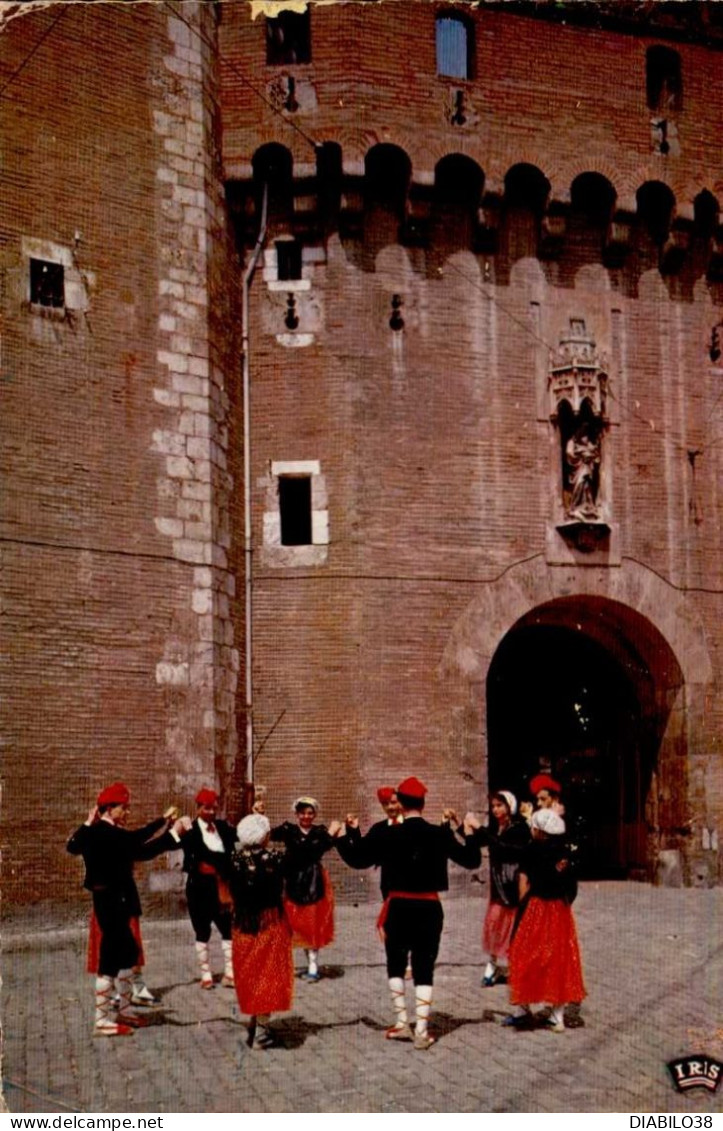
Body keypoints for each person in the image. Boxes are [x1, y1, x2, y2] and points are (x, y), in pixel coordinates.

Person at [331, 775, 481, 1050]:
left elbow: (358, 859)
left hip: (397, 907)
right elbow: (472, 860)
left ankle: (402, 1023)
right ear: (423, 803)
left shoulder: (384, 832)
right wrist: (467, 830)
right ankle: (422, 1030)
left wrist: (342, 837)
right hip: (429, 907)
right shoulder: (439, 833)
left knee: (395, 964)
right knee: (424, 966)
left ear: (400, 802)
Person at [67, 782, 189, 1037]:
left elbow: (75, 845)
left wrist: (161, 822)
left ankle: (123, 1009)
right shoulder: (110, 835)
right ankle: (101, 1020)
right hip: (112, 902)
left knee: (128, 954)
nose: (127, 812)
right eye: (124, 808)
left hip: (111, 901)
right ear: (110, 809)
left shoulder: (95, 832)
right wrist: (173, 833)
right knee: (110, 960)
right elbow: (142, 849)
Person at [504, 807, 585, 1033]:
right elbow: (572, 886)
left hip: (537, 908)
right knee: (559, 959)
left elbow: (515, 862)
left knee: (524, 953)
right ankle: (557, 1016)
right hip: (560, 911)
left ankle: (522, 1007)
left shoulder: (533, 850)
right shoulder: (565, 851)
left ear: (540, 832)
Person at [229, 813, 294, 1050]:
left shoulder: (233, 859)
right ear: (265, 837)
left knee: (249, 971)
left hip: (243, 924)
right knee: (268, 973)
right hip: (269, 922)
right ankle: (262, 1031)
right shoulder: (275, 859)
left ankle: (255, 1019)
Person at [467, 790, 530, 987]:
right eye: (493, 806)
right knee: (494, 924)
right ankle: (493, 964)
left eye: (499, 805)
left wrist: (479, 827)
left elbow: (502, 847)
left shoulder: (519, 828)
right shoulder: (497, 827)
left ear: (509, 806)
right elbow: (481, 841)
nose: (495, 810)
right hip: (498, 884)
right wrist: (460, 825)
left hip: (513, 883)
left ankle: (516, 966)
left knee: (513, 927)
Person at [270, 796, 335, 981]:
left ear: (314, 814)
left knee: (311, 924)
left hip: (313, 881)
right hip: (292, 880)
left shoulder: (320, 832)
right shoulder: (288, 830)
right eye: (303, 813)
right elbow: (266, 834)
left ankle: (313, 966)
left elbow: (327, 846)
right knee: (291, 923)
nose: (306, 816)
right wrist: (258, 814)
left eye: (310, 813)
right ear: (297, 814)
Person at [181, 787, 238, 989]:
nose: (211, 813)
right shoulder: (191, 832)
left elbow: (242, 835)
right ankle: (206, 974)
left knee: (228, 928)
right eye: (207, 808)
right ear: (198, 809)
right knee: (202, 930)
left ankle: (230, 973)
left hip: (222, 886)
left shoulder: (223, 828)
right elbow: (187, 859)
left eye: (214, 808)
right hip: (199, 888)